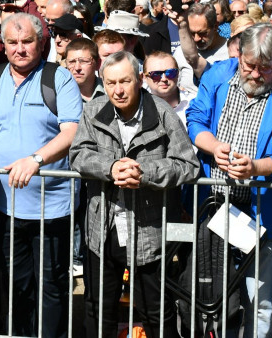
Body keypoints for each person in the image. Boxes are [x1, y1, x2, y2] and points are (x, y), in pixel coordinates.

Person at [185, 22, 272, 338]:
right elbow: (195, 118)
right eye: (249, 65)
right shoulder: (218, 75)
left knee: (259, 300)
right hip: (212, 206)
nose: (255, 74)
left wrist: (257, 166)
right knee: (211, 294)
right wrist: (214, 147)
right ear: (238, 54)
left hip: (262, 213)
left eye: (264, 69)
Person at [71, 51, 200, 338]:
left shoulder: (163, 113)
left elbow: (189, 166)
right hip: (101, 229)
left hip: (149, 232)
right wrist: (111, 167)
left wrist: (145, 174)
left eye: (125, 81)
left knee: (155, 311)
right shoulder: (94, 110)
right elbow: (78, 154)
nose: (118, 90)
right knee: (98, 309)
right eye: (111, 82)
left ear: (140, 80)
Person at [0, 12, 82, 338]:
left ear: (41, 43)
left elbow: (72, 132)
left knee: (51, 287)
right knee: (14, 287)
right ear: (4, 45)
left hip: (53, 208)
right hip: (5, 208)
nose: (20, 49)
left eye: (27, 42)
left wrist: (36, 160)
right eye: (12, 43)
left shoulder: (58, 79)